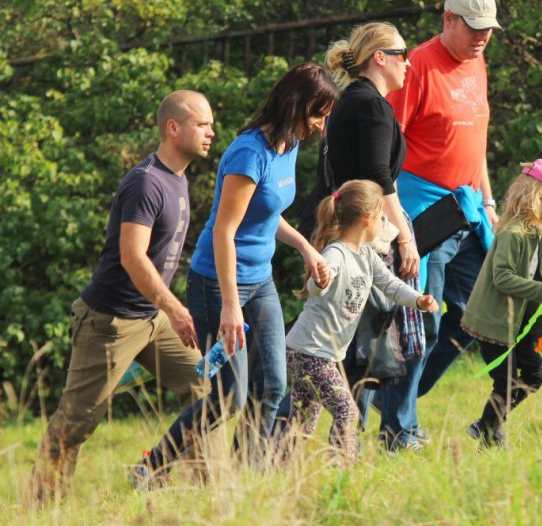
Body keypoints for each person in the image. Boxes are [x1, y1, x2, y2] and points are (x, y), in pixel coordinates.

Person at [133, 64, 338, 485]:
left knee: (274, 386)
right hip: (216, 284)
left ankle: (248, 480)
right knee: (230, 395)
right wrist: (229, 306)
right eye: (317, 114)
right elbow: (225, 231)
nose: (320, 125)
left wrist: (305, 247)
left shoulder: (289, 145)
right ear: (296, 105)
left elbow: (268, 213)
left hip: (259, 280)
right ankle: (151, 467)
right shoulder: (250, 153)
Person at [31, 91, 216, 503]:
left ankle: (202, 491)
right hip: (110, 321)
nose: (211, 132)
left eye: (210, 125)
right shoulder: (146, 182)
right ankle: (41, 510)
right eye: (202, 124)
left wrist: (166, 311)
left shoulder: (179, 178)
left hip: (153, 319)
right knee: (77, 421)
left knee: (205, 385)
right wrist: (176, 308)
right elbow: (132, 257)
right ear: (173, 128)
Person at [374, 0, 504, 450]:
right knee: (420, 321)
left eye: (488, 30)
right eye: (473, 28)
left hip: (470, 209)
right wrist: (395, 223)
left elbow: (477, 144)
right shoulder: (418, 68)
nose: (482, 38)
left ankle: (392, 400)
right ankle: (399, 430)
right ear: (448, 19)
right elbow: (386, 150)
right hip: (423, 210)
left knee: (472, 315)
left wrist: (490, 203)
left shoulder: (478, 62)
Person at [296, 23, 425, 427]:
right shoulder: (370, 105)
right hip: (357, 238)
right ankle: (338, 442)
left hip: (345, 233)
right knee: (358, 350)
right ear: (379, 58)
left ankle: (299, 444)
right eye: (403, 54)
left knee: (345, 346)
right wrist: (406, 238)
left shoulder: (352, 101)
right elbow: (377, 179)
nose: (409, 63)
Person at [283, 180, 437, 463]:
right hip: (310, 352)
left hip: (316, 353)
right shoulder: (336, 253)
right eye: (382, 217)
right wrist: (321, 279)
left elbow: (390, 285)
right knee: (347, 410)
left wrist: (418, 299)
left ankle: (278, 472)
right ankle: (341, 473)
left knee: (302, 423)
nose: (384, 223)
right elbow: (319, 285)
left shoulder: (365, 254)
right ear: (367, 218)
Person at [461, 160, 542, 447]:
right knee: (507, 383)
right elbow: (503, 279)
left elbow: (531, 280)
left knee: (537, 374)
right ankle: (489, 435)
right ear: (539, 197)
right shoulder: (513, 233)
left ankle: (486, 424)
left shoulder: (533, 234)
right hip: (493, 324)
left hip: (516, 325)